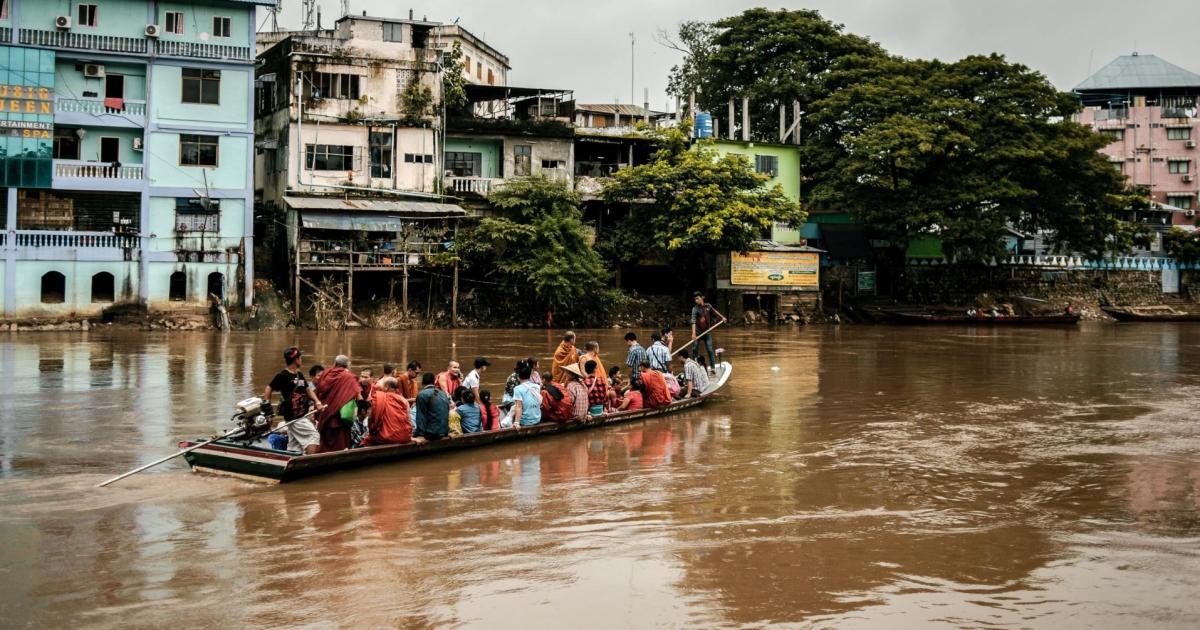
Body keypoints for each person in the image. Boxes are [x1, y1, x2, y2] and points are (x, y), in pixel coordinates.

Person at [262, 347, 324, 455]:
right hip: (294, 417)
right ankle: (311, 462)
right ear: (296, 360)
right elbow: (268, 388)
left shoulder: (299, 374)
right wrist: (267, 407)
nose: (301, 360)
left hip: (301, 415)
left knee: (295, 445)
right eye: (300, 357)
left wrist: (317, 401)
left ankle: (291, 459)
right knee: (314, 435)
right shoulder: (283, 376)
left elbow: (307, 389)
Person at [314, 354, 362, 452]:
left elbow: (319, 392)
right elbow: (357, 396)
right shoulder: (349, 377)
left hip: (325, 414)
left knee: (325, 443)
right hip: (340, 417)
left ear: (335, 363)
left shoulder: (325, 374)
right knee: (340, 445)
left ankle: (320, 459)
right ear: (347, 366)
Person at [361, 377, 412, 446]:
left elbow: (370, 418)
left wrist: (372, 431)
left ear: (386, 387)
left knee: (366, 441)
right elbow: (409, 420)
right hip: (404, 437)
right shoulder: (404, 400)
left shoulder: (378, 398)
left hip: (386, 437)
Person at [690, 291, 726, 369]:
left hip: (707, 332)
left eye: (697, 298)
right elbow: (693, 321)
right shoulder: (695, 309)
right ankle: (693, 368)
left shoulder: (708, 306)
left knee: (710, 350)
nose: (696, 301)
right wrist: (693, 333)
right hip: (698, 333)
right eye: (695, 299)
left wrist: (722, 317)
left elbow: (715, 312)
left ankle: (713, 368)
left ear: (702, 298)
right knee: (694, 349)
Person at [414, 371, 451, 440]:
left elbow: (420, 417)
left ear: (422, 383)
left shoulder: (422, 394)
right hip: (445, 431)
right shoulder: (443, 394)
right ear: (434, 382)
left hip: (432, 433)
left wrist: (420, 435)